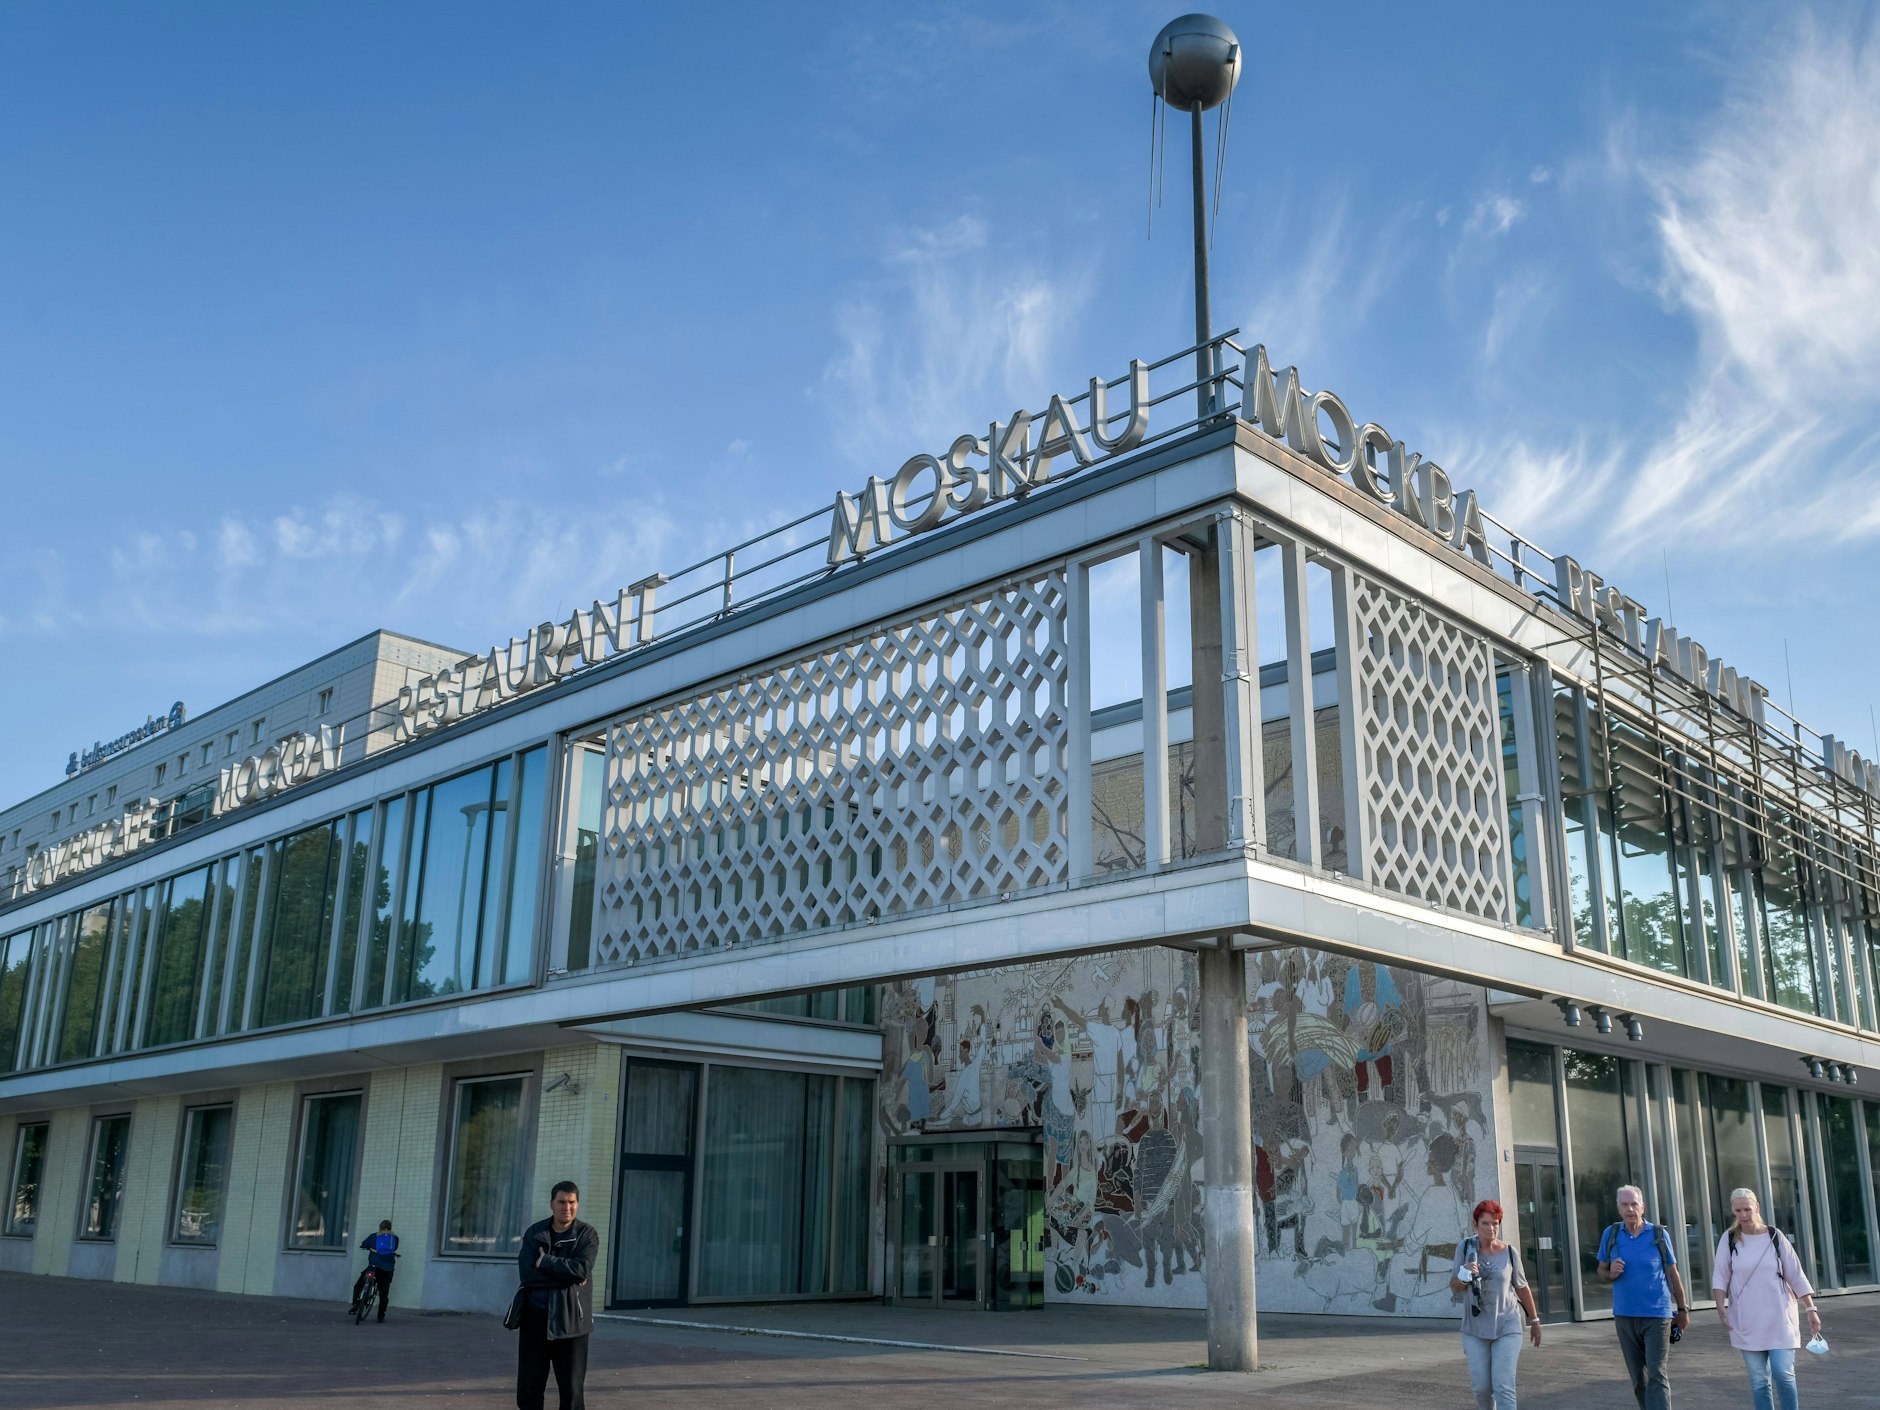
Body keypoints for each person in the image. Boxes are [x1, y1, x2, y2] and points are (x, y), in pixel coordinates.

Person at [1711, 1186, 1822, 1410]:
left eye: (1747, 1209)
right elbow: (1720, 1275)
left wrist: (1811, 1309)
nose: (1743, 1215)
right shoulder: (1730, 1239)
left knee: (1783, 1373)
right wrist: (1720, 1306)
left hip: (1780, 1318)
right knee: (1759, 1381)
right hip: (1746, 1319)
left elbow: (1796, 1274)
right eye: (1738, 1211)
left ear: (1757, 1208)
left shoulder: (1775, 1236)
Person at [1596, 1184, 1692, 1410]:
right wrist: (1610, 1273)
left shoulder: (1658, 1234)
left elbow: (1673, 1274)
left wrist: (1683, 1309)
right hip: (1625, 1315)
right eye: (1625, 1204)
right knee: (1639, 1379)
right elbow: (1601, 1270)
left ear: (1643, 1207)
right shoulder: (1610, 1234)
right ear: (1618, 1208)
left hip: (1657, 1315)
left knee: (1657, 1373)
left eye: (1634, 1204)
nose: (1630, 1209)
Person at [1449, 1198, 1542, 1409]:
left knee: (1504, 1386)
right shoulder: (1465, 1248)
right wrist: (1464, 1275)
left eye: (1495, 1223)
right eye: (1485, 1223)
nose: (1491, 1228)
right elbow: (1454, 1285)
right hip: (1475, 1328)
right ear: (1475, 1225)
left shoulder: (1510, 1252)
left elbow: (1522, 1287)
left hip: (1507, 1326)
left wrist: (1534, 1320)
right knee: (1482, 1388)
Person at [514, 1180, 598, 1410]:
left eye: (572, 1202)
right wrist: (567, 1275)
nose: (567, 1207)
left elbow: (582, 1270)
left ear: (578, 1204)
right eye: (561, 1202)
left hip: (572, 1323)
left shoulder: (586, 1235)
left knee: (572, 1394)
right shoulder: (535, 1233)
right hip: (535, 1321)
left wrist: (547, 1261)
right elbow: (527, 1275)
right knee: (529, 1392)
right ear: (552, 1203)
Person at [351, 1219, 400, 1321]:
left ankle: (356, 1304)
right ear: (390, 1228)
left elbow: (364, 1244)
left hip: (373, 1267)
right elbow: (394, 1248)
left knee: (359, 1285)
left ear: (380, 1227)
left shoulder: (373, 1236)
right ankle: (380, 1316)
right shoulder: (395, 1238)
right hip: (387, 1269)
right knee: (384, 1293)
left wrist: (367, 1247)